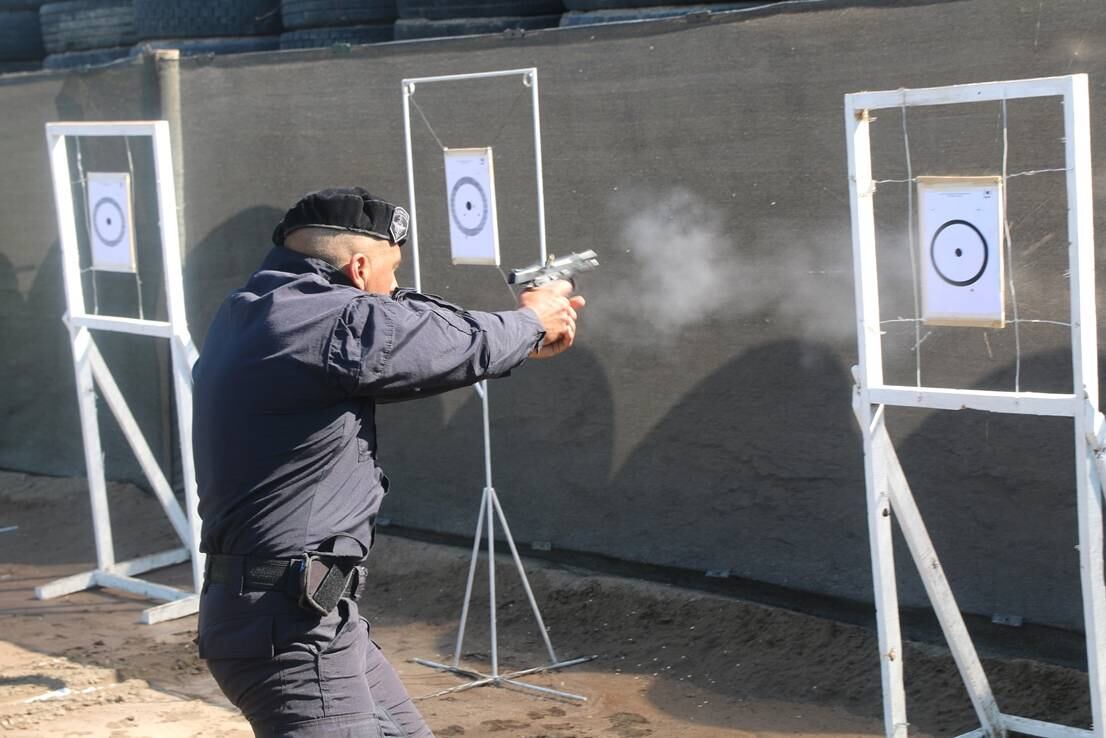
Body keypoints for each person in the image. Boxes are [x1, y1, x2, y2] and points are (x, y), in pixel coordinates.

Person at [191, 186, 585, 738]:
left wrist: (522, 334)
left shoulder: (255, 310)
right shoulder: (323, 324)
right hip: (291, 632)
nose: (395, 286)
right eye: (390, 270)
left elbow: (412, 328)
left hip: (309, 617)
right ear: (356, 268)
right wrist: (531, 320)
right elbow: (436, 341)